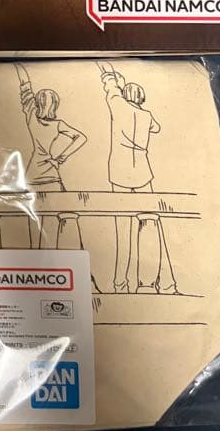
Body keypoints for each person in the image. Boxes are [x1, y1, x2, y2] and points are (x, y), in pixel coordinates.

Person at [99, 63, 176, 294]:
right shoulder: (146, 116)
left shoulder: (118, 106)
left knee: (122, 229)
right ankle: (155, 283)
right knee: (150, 223)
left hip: (120, 172)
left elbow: (110, 86)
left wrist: (115, 80)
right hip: (143, 171)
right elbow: (157, 128)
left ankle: (120, 283)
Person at [15, 64, 88, 191]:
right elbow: (81, 138)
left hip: (33, 175)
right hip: (52, 173)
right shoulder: (58, 124)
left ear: (37, 103)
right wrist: (60, 159)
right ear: (55, 105)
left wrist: (18, 65)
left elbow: (25, 87)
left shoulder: (32, 116)